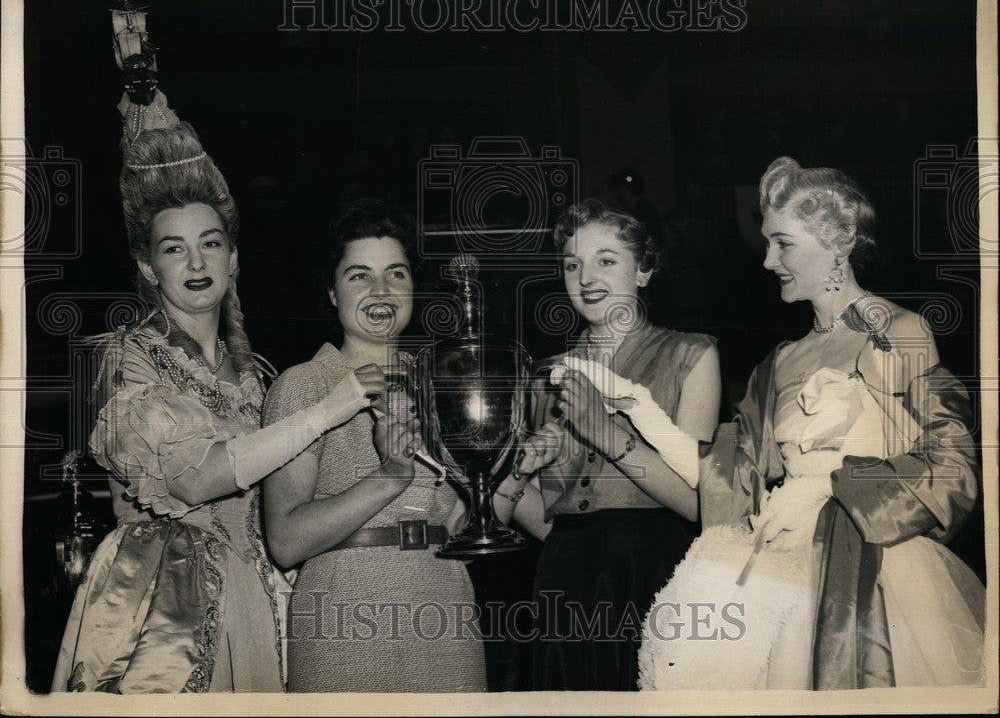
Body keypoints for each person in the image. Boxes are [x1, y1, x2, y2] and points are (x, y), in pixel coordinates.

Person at [51, 93, 372, 693]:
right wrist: (325, 413)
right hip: (163, 600)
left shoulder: (260, 375)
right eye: (174, 248)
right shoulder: (128, 358)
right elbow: (194, 479)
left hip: (258, 603)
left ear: (232, 260)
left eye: (211, 243)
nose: (196, 261)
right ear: (149, 269)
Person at [638, 156, 985, 690]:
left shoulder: (899, 331)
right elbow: (728, 478)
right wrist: (639, 412)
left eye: (784, 243)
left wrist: (828, 484)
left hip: (876, 567)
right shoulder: (779, 361)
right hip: (785, 568)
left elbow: (954, 467)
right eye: (768, 242)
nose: (767, 260)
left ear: (839, 243)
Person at [492, 198, 722, 691]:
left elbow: (701, 504)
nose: (586, 277)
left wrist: (605, 434)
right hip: (564, 580)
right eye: (573, 264)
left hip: (656, 571)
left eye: (606, 260)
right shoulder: (543, 377)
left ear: (644, 270)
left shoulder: (691, 355)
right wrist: (513, 476)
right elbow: (547, 520)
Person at [263, 199, 487, 693]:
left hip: (446, 619)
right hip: (344, 626)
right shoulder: (303, 386)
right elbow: (284, 541)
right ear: (331, 290)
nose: (381, 291)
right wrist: (389, 476)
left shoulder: (441, 389)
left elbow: (458, 530)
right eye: (360, 276)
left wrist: (507, 475)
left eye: (396, 275)